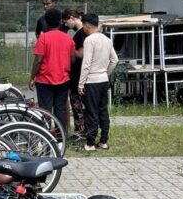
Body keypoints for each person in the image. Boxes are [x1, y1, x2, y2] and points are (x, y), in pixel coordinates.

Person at [29, 9, 75, 135]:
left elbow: (38, 60)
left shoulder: (43, 38)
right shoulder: (68, 39)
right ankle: (61, 137)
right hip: (63, 79)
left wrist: (32, 77)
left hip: (44, 80)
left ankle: (46, 135)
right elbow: (73, 59)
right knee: (60, 109)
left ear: (47, 23)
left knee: (45, 110)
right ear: (60, 21)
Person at [78, 13, 118, 151]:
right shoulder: (107, 39)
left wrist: (81, 83)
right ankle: (104, 141)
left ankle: (90, 143)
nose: (83, 28)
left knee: (91, 112)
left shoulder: (89, 40)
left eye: (83, 25)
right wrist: (105, 73)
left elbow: (86, 64)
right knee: (103, 111)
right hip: (103, 80)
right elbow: (115, 60)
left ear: (87, 25)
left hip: (91, 81)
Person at [63, 8, 86, 137]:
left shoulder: (81, 33)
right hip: (77, 72)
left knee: (77, 102)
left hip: (78, 72)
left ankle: (81, 130)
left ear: (72, 18)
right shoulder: (79, 32)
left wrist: (70, 49)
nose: (66, 24)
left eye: (67, 21)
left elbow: (81, 53)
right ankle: (80, 129)